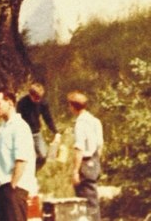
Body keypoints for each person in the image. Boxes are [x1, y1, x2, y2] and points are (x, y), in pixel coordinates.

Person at [0, 89, 37, 221]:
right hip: (2, 187)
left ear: (10, 103)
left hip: (14, 188)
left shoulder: (20, 127)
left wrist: (13, 186)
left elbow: (21, 160)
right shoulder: (3, 127)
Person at [68, 91, 104, 221]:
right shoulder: (95, 121)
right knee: (93, 203)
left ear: (73, 106)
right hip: (94, 161)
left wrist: (76, 171)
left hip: (85, 162)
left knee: (86, 205)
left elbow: (79, 149)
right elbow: (100, 145)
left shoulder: (80, 123)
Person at [15, 83, 57, 171]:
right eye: (36, 98)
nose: (38, 100)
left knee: (42, 155)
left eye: (39, 98)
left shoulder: (43, 103)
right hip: (24, 133)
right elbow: (17, 120)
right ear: (30, 95)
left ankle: (33, 171)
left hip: (36, 132)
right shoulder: (22, 103)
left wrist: (55, 132)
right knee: (24, 156)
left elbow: (48, 118)